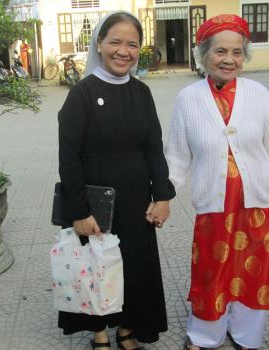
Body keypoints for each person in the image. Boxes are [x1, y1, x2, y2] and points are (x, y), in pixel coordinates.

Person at [165, 14, 269, 350]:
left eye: (237, 52)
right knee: (211, 270)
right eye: (220, 51)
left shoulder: (259, 94)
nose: (229, 59)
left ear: (244, 56)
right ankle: (205, 336)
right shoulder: (188, 99)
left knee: (254, 272)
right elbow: (176, 157)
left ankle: (247, 335)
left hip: (256, 206)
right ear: (204, 54)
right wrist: (161, 196)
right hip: (213, 205)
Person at [57, 11, 176, 350]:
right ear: (99, 44)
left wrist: (163, 196)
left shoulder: (141, 93)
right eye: (116, 42)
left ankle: (126, 328)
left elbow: (154, 149)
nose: (124, 51)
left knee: (132, 268)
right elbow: (69, 159)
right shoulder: (80, 95)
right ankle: (98, 334)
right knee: (96, 269)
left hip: (136, 200)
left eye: (132, 44)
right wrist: (78, 211)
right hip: (95, 203)